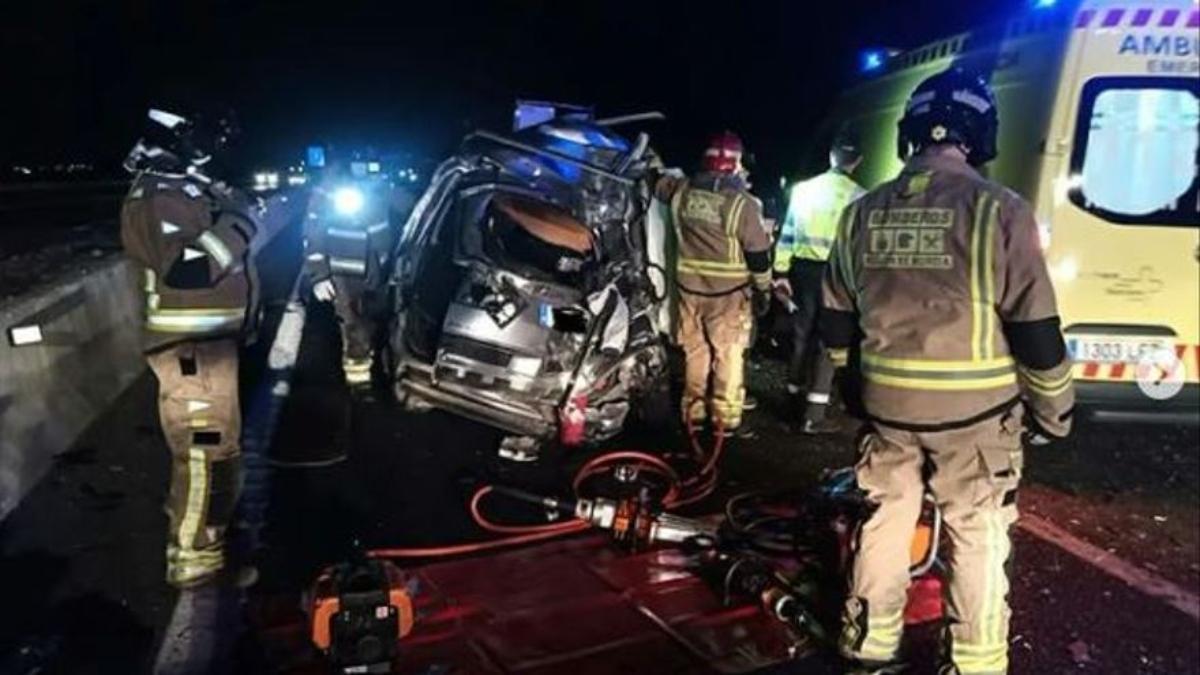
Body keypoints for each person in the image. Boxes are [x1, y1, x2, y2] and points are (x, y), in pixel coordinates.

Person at [821, 67, 1074, 674]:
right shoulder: (1000, 212)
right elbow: (1036, 333)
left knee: (884, 519)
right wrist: (1055, 412)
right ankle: (974, 662)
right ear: (979, 134)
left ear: (911, 133)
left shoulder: (862, 214)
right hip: (976, 419)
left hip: (887, 410)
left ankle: (870, 644)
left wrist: (855, 388)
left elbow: (834, 320)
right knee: (978, 534)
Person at [120, 107, 263, 588]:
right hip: (189, 354)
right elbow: (187, 268)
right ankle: (195, 560)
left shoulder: (183, 188)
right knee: (204, 453)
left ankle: (206, 533)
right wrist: (239, 225)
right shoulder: (157, 196)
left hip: (208, 352)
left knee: (217, 450)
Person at [654, 131, 773, 434]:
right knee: (728, 355)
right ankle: (724, 419)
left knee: (696, 352)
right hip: (728, 297)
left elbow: (657, 183)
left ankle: (692, 413)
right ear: (735, 165)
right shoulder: (741, 204)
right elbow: (758, 255)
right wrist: (763, 289)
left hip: (688, 292)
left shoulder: (680, 192)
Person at [773, 127, 866, 433]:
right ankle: (814, 414)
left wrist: (782, 272)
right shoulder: (860, 198)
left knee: (801, 335)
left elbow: (786, 233)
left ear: (831, 156)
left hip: (802, 271)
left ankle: (790, 400)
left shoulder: (804, 190)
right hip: (837, 274)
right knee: (829, 340)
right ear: (858, 161)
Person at [303, 157, 396, 389]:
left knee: (378, 324)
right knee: (353, 326)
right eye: (356, 161)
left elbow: (386, 231)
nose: (361, 166)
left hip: (378, 273)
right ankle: (359, 387)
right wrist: (319, 276)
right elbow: (313, 235)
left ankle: (380, 373)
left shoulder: (378, 189)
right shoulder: (328, 192)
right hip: (343, 274)